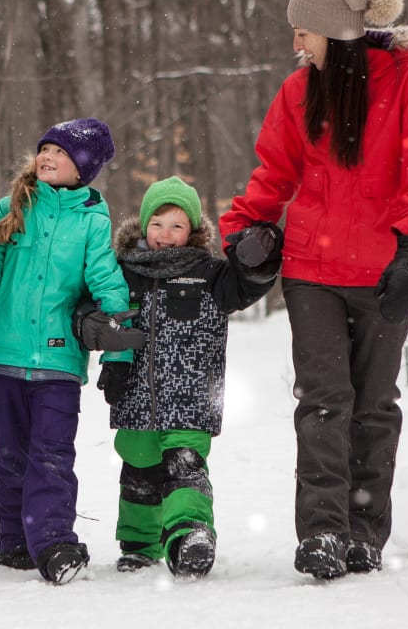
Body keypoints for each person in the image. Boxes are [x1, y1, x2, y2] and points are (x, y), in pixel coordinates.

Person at [219, 0, 408, 580]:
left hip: (380, 271)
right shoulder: (299, 93)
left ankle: (365, 533)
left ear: (336, 31)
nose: (296, 46)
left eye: (303, 33)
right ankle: (323, 530)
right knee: (324, 402)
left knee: (373, 405)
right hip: (312, 272)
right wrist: (240, 233)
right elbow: (273, 175)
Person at [0, 118, 143, 586]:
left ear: (82, 169)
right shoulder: (12, 207)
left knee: (50, 454)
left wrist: (118, 355)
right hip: (3, 354)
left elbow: (107, 282)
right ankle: (14, 542)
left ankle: (53, 542)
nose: (46, 157)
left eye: (60, 153)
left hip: (59, 362)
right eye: (44, 148)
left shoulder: (92, 218)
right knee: (8, 454)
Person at [83, 176, 281, 579]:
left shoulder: (209, 273)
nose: (166, 235)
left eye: (176, 225)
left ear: (192, 230)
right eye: (157, 224)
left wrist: (255, 260)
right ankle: (140, 543)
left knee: (185, 465)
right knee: (138, 466)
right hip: (136, 392)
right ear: (142, 226)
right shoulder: (123, 272)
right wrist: (97, 335)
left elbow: (247, 286)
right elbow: (93, 308)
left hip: (192, 395)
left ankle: (190, 534)